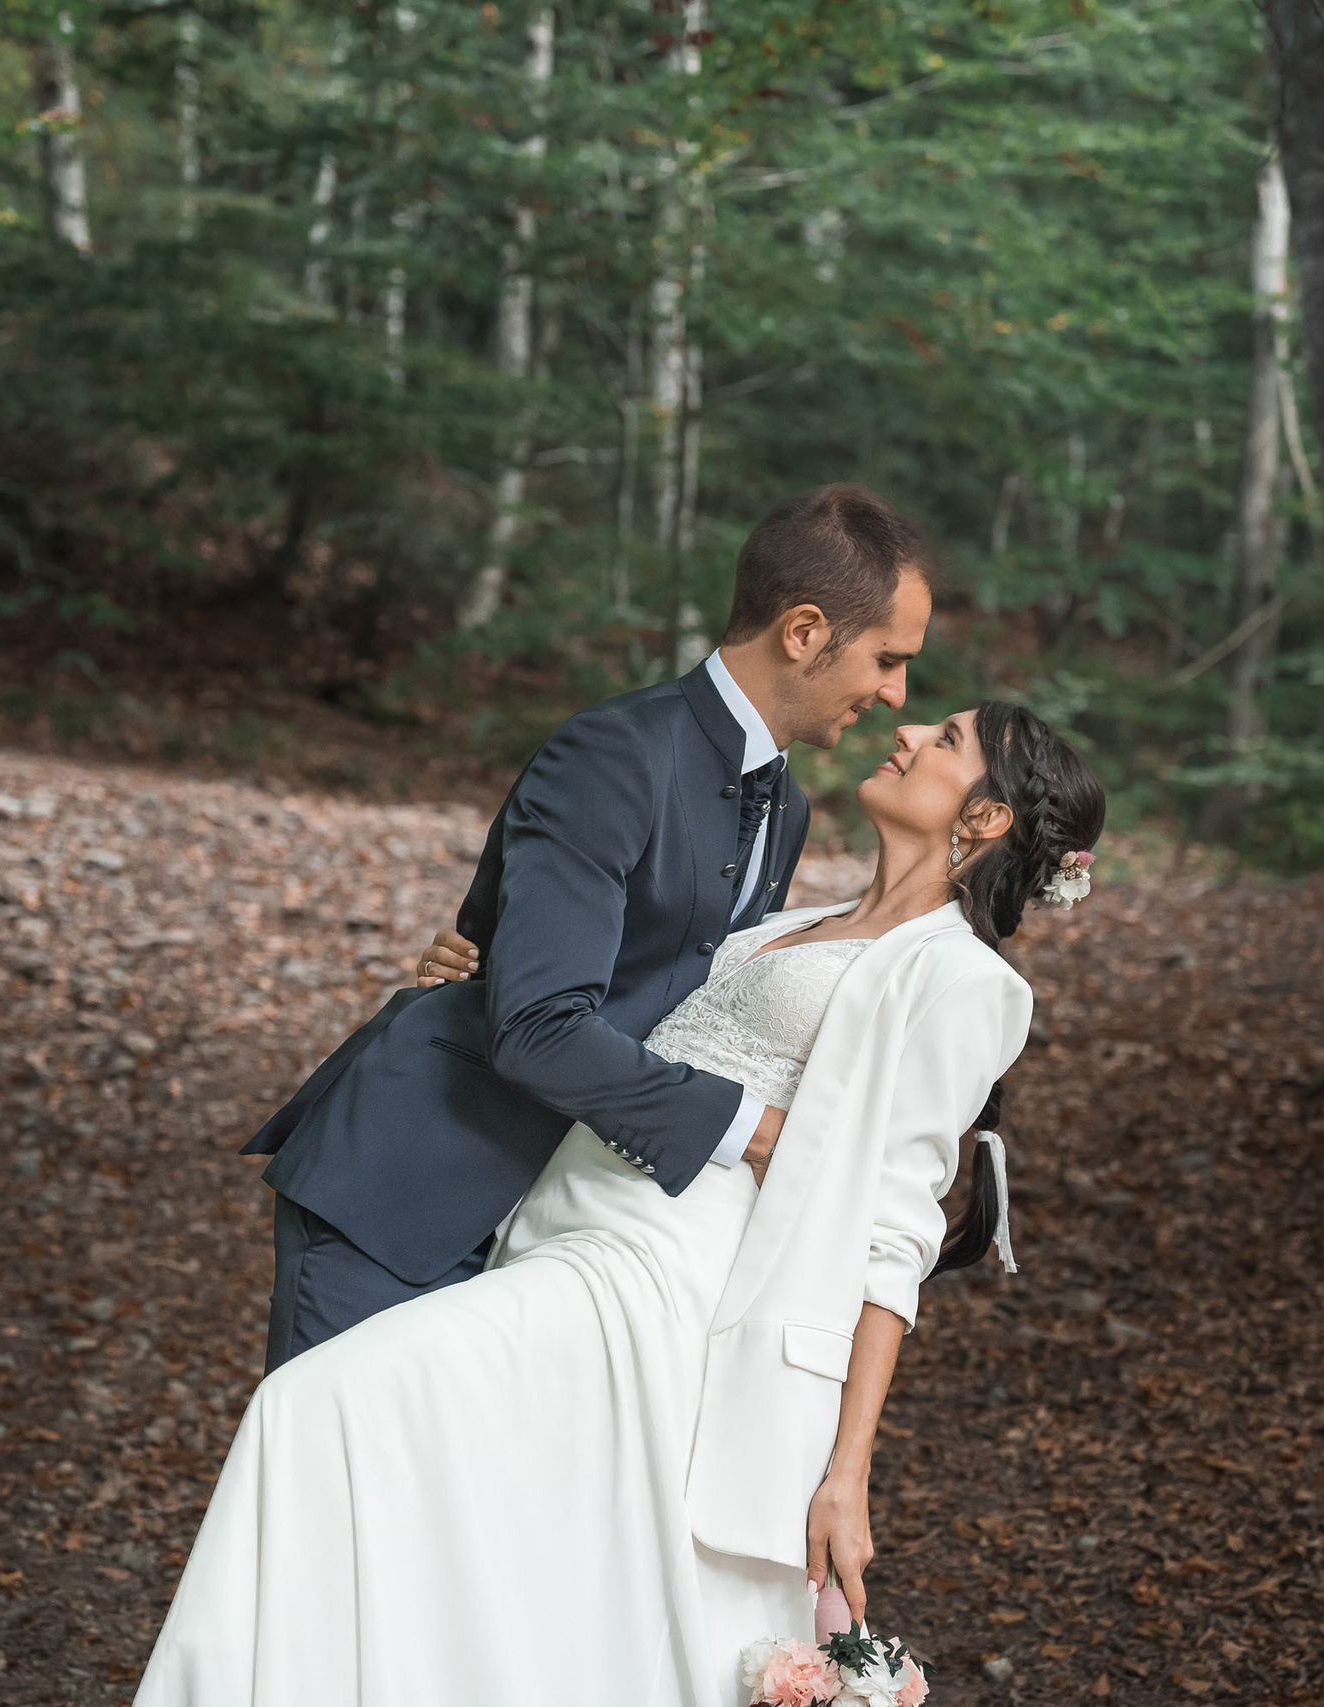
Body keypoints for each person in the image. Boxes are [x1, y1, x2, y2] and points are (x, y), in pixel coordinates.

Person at [133, 698, 1107, 1706]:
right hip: (555, 1224)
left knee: (317, 1404)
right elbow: (617, 1007)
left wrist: (844, 1470)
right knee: (510, 1568)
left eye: (943, 741)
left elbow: (891, 1235)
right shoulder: (794, 918)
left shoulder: (962, 982)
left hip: (659, 1280)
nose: (904, 733)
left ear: (984, 819)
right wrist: (483, 979)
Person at [240, 484, 935, 1372]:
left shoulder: (786, 808)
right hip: (410, 1181)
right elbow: (537, 1026)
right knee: (330, 1491)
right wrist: (760, 1133)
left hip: (559, 1221)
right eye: (887, 658)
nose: (894, 692)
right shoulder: (614, 753)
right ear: (803, 632)